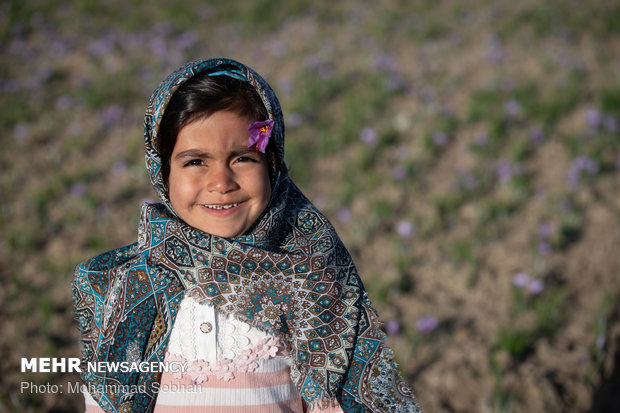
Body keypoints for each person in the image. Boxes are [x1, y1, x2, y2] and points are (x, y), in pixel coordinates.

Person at [73, 58, 422, 413]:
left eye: (243, 158)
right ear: (161, 171)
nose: (221, 183)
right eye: (195, 162)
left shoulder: (308, 276)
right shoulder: (132, 282)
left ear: (272, 163)